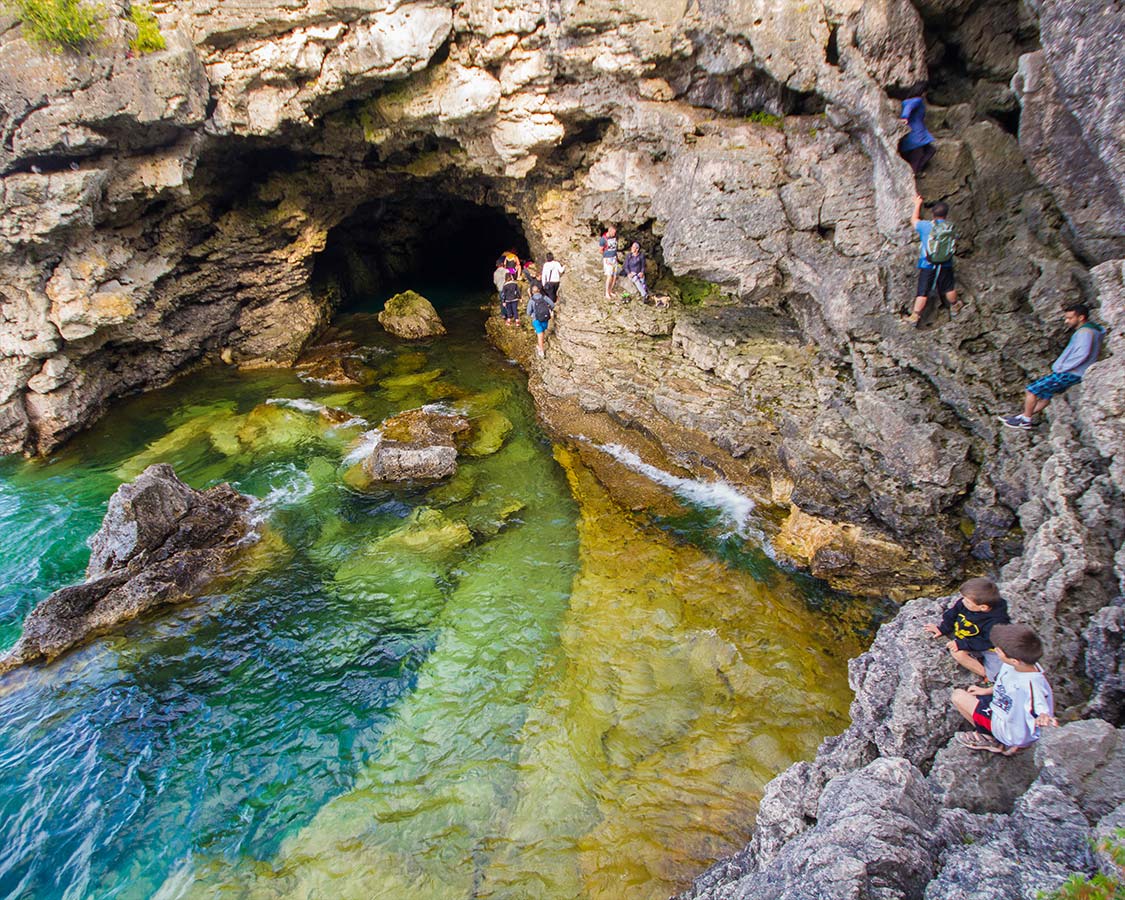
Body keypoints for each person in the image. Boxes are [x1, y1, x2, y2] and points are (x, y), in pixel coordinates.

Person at [951, 624, 1057, 754]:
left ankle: (992, 739)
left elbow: (1040, 708)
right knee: (972, 695)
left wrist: (1044, 717)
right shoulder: (1019, 664)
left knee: (958, 696)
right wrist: (986, 691)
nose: (995, 650)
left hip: (1009, 731)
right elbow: (1006, 684)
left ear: (1014, 660)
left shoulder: (1032, 684)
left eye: (999, 650)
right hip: (1007, 710)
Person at [999, 303, 1105, 430]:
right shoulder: (1093, 330)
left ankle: (1026, 420)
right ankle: (1022, 417)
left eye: (1070, 318)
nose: (1067, 321)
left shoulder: (1085, 332)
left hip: (1071, 372)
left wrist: (1063, 368)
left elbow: (1083, 354)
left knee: (1031, 390)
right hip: (1075, 372)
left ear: (1081, 317)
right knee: (1045, 394)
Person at [923, 577, 1010, 680]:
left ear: (983, 607)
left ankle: (990, 676)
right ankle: (984, 673)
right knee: (957, 653)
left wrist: (961, 644)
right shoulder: (965, 603)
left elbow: (988, 641)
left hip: (989, 646)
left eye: (968, 601)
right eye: (963, 598)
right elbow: (951, 615)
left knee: (999, 674)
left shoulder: (997, 621)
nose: (963, 602)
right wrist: (942, 629)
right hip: (969, 640)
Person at [905, 194, 960, 325]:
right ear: (946, 214)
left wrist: (917, 204)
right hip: (945, 263)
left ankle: (915, 316)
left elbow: (914, 220)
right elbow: (955, 239)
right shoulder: (951, 227)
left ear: (933, 213)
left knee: (923, 291)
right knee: (948, 287)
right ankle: (955, 306)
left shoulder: (926, 226)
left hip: (928, 264)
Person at [899, 86, 936, 175]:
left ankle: (917, 171)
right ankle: (912, 176)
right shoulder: (917, 100)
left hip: (916, 134)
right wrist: (905, 117)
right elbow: (909, 107)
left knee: (930, 150)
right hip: (916, 135)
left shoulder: (910, 100)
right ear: (923, 93)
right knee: (917, 156)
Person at [527, 288, 555, 358]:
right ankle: (541, 344)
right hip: (545, 318)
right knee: (542, 331)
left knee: (540, 335)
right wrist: (549, 310)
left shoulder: (531, 300)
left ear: (532, 292)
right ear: (539, 291)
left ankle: (541, 350)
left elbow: (528, 312)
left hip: (536, 319)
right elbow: (552, 305)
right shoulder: (544, 297)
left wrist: (532, 315)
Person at [598, 226, 618, 299]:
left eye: (615, 233)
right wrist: (606, 257)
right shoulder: (603, 239)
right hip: (608, 259)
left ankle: (610, 291)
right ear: (609, 231)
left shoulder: (615, 237)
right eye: (613, 233)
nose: (614, 234)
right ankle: (606, 292)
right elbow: (600, 250)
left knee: (614, 276)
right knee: (609, 276)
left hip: (614, 258)